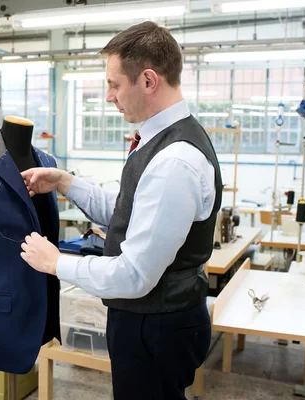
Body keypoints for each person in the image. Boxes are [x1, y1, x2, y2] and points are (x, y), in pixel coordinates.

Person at [20, 21, 222, 400]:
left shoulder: (174, 161)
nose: (109, 95)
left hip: (156, 326)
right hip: (153, 320)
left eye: (114, 84)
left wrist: (56, 263)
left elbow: (133, 276)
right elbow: (129, 213)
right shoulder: (159, 140)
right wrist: (65, 181)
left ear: (148, 81)